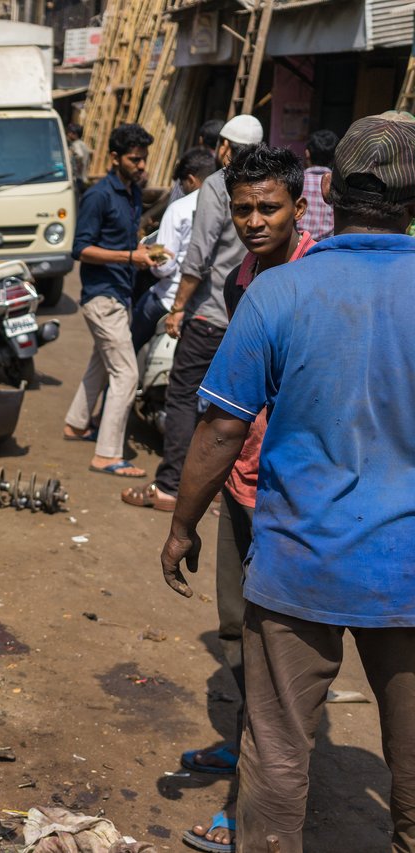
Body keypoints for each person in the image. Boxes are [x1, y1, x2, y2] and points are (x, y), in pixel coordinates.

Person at [160, 112, 415, 853]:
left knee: (275, 754)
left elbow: (218, 429)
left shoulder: (280, 294)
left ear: (326, 191)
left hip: (299, 561)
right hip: (406, 569)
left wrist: (181, 524)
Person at [176, 144, 314, 853]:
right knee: (237, 632)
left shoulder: (317, 278)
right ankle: (242, 752)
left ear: (299, 206)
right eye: (245, 207)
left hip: (294, 495)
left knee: (277, 658)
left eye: (270, 207)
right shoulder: (241, 278)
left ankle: (249, 801)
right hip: (241, 481)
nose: (256, 220)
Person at [121, 114, 263, 511]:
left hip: (210, 314)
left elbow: (197, 258)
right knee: (233, 405)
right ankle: (222, 485)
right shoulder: (266, 183)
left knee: (182, 396)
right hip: (251, 316)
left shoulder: (219, 185)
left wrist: (179, 307)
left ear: (224, 148)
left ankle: (169, 485)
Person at [62, 122, 163, 477]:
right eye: (135, 159)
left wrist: (142, 251)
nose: (141, 166)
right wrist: (130, 257)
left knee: (103, 363)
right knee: (126, 373)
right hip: (101, 297)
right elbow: (81, 250)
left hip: (119, 293)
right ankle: (106, 455)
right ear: (115, 158)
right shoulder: (99, 196)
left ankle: (76, 424)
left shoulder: (133, 192)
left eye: (144, 159)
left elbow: (125, 244)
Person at [131, 147, 216, 353]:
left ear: (191, 179)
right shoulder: (227, 206)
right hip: (208, 304)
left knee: (125, 351)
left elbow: (163, 266)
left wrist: (151, 252)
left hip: (169, 299)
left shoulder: (180, 208)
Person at [299, 128, 337, 240]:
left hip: (299, 246)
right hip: (327, 248)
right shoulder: (338, 184)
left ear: (307, 153)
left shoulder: (296, 181)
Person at [68, 122, 93, 191]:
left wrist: (78, 165)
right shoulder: (83, 144)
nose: (68, 134)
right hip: (83, 178)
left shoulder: (75, 144)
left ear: (75, 134)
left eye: (70, 132)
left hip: (77, 178)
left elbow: (80, 155)